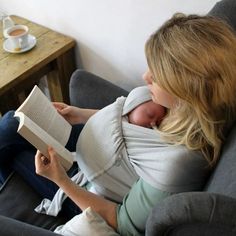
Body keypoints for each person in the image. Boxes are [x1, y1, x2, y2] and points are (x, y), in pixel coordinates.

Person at [1, 13, 236, 236]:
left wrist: (59, 178)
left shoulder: (177, 165)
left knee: (11, 150)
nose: (146, 77)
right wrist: (79, 115)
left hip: (91, 189)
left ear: (186, 90)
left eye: (157, 76)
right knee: (14, 120)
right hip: (104, 152)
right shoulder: (185, 108)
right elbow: (132, 128)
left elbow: (122, 222)